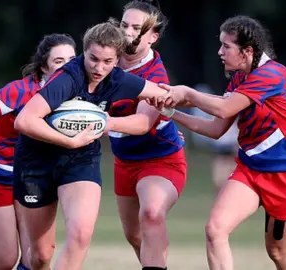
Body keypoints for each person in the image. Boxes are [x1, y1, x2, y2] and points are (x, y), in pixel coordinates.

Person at [154, 15, 286, 270]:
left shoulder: (271, 74)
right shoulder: (240, 77)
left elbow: (224, 108)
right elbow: (216, 129)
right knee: (215, 229)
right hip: (251, 170)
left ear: (247, 51)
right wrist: (171, 113)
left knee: (277, 251)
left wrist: (188, 93)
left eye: (226, 46)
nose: (220, 51)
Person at [13, 20, 170, 270]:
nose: (99, 68)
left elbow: (164, 94)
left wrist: (172, 125)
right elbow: (24, 121)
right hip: (36, 161)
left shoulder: (118, 80)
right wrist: (69, 140)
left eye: (108, 62)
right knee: (40, 256)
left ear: (117, 59)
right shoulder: (67, 78)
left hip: (81, 160)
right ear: (84, 52)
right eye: (93, 59)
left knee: (80, 236)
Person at [0, 33, 76, 270]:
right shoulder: (23, 90)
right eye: (59, 61)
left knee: (38, 258)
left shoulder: (78, 95)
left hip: (34, 179)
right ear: (44, 67)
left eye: (72, 60)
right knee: (4, 258)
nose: (67, 67)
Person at [103, 1, 185, 269]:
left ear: (152, 37)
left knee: (151, 214)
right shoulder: (105, 61)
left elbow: (141, 123)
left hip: (160, 158)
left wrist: (103, 122)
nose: (127, 32)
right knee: (134, 235)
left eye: (137, 28)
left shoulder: (155, 75)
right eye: (124, 25)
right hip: (124, 161)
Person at [190, 84, 239, 193]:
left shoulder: (234, 119)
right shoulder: (219, 119)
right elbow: (214, 132)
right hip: (221, 153)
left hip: (232, 154)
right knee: (219, 181)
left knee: (232, 181)